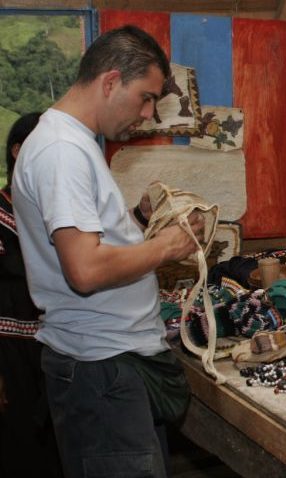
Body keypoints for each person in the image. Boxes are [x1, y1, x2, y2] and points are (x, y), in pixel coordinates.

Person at [12, 26, 205, 478]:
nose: (149, 113)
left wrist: (137, 225)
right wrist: (166, 247)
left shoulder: (72, 142)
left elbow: (87, 245)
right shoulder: (63, 150)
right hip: (99, 371)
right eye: (145, 97)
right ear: (110, 81)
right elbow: (84, 268)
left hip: (107, 366)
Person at [1, 112, 63, 478]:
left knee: (55, 447)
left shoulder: (57, 214)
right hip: (9, 353)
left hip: (51, 348)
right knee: (18, 447)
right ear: (16, 151)